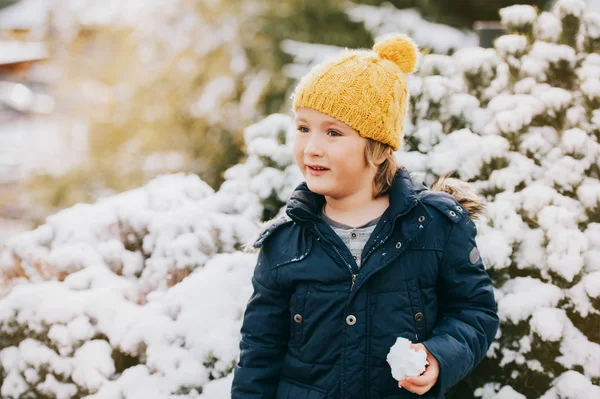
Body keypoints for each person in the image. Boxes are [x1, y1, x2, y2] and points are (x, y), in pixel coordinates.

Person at [231, 33, 499, 399]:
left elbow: (474, 311)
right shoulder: (284, 244)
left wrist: (439, 356)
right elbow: (259, 354)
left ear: (377, 147)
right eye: (303, 128)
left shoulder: (435, 227)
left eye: (333, 132)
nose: (312, 147)